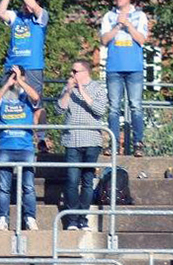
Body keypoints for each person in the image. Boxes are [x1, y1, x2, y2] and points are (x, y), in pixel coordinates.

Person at [0, 0, 49, 152]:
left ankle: (41, 138)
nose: (26, 5)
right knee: (10, 102)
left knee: (35, 103)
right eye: (24, 1)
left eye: (29, 0)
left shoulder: (41, 18)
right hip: (13, 66)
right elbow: (0, 13)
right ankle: (10, 138)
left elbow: (33, 6)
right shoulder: (16, 16)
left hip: (32, 66)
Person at [56, 59, 108, 231]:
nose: (71, 74)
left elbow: (99, 110)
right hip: (72, 140)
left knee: (87, 181)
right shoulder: (68, 88)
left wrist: (82, 90)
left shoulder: (98, 88)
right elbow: (59, 110)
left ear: (84, 72)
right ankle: (71, 219)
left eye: (75, 71)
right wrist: (68, 92)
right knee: (71, 180)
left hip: (91, 140)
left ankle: (82, 218)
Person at [99, 0, 149, 156]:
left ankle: (138, 143)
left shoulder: (140, 16)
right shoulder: (108, 16)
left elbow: (142, 40)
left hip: (134, 68)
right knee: (113, 108)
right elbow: (104, 40)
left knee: (135, 106)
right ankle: (113, 144)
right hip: (114, 68)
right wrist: (118, 25)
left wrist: (128, 24)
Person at [0, 65, 40, 231]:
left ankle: (30, 218)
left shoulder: (27, 94)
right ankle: (3, 218)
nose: (13, 79)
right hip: (6, 146)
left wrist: (20, 82)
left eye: (17, 75)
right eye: (11, 75)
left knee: (28, 186)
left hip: (25, 147)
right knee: (4, 186)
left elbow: (36, 97)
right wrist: (6, 85)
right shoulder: (4, 94)